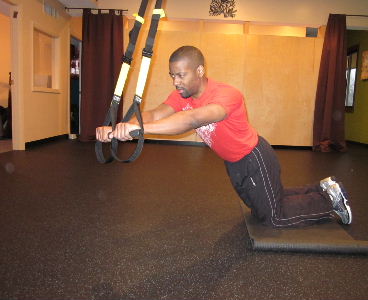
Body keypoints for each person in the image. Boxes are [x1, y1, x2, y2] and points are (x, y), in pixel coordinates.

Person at [96, 45, 352, 228]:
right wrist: (121, 127)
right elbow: (152, 114)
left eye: (181, 75)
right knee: (261, 205)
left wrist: (137, 130)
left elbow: (192, 119)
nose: (175, 82)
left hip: (254, 158)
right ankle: (321, 188)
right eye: (172, 75)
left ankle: (330, 201)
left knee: (274, 217)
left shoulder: (226, 94)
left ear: (199, 70)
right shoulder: (181, 95)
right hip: (234, 163)